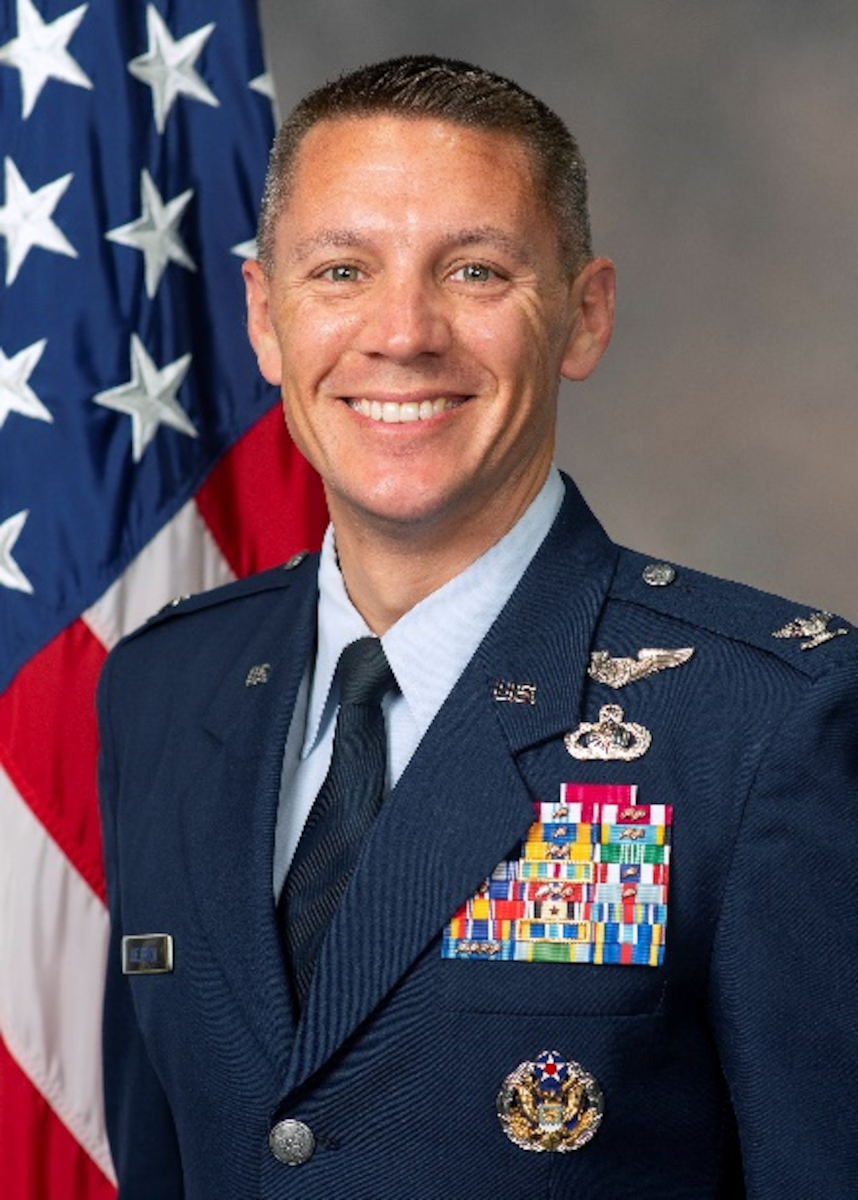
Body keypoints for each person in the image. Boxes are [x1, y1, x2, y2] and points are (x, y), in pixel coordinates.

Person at [97, 55, 858, 1198]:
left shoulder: (768, 722)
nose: (402, 333)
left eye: (475, 270)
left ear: (583, 317)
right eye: (342, 269)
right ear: (266, 318)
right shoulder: (163, 688)